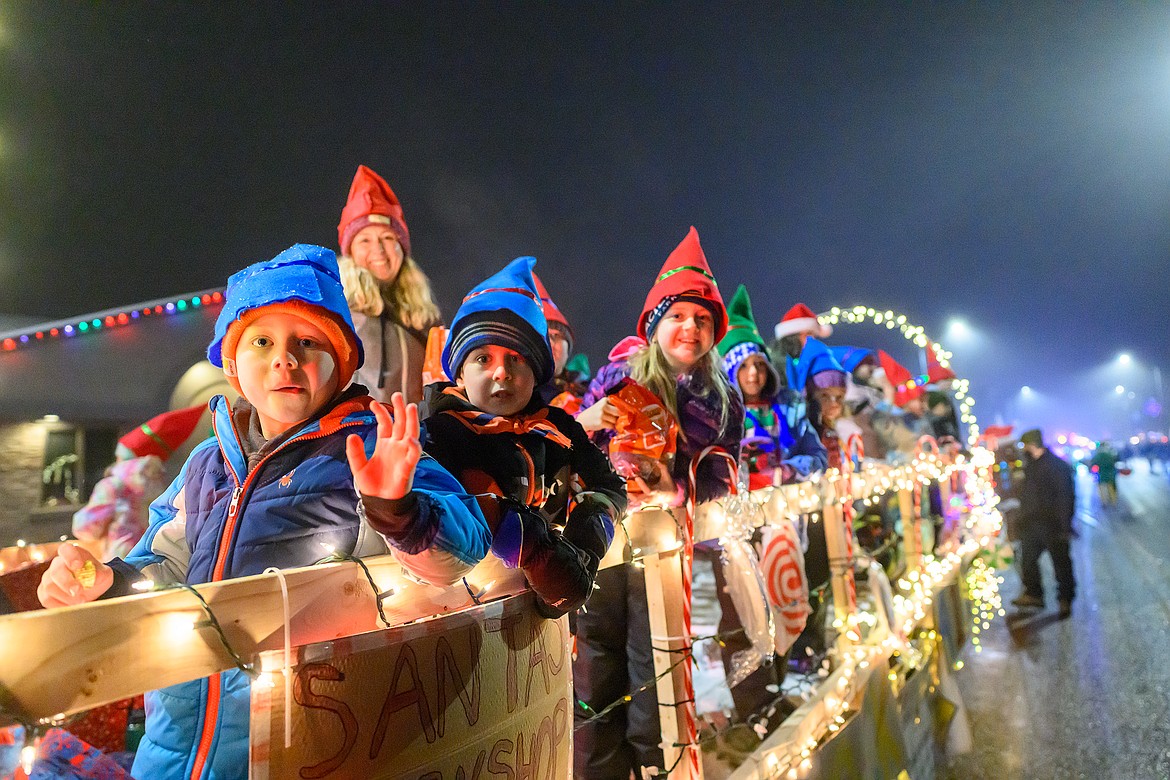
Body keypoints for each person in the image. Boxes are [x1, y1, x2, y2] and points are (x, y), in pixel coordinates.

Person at [37, 244, 491, 779]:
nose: (284, 358)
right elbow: (162, 562)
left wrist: (398, 510)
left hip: (309, 747)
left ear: (342, 364)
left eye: (307, 341)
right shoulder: (208, 464)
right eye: (261, 341)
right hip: (176, 745)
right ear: (232, 365)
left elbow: (461, 553)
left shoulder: (371, 451)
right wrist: (106, 583)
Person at [574, 226, 743, 778]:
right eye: (677, 316)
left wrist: (679, 489)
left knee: (656, 670)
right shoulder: (615, 378)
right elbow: (569, 453)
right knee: (595, 668)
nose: (689, 328)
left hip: (669, 551)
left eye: (701, 320)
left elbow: (724, 474)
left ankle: (656, 769)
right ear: (654, 325)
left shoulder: (722, 399)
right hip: (604, 544)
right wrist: (586, 422)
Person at [422, 255, 626, 618]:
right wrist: (536, 547)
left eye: (517, 358)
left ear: (537, 369)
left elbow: (610, 486)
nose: (502, 372)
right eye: (483, 358)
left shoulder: (560, 428)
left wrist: (584, 548)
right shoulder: (441, 434)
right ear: (460, 373)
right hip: (466, 624)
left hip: (549, 638)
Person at [336, 165, 442, 404]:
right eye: (364, 239)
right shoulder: (337, 312)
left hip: (419, 436)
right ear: (349, 251)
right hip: (360, 436)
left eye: (387, 238)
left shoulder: (425, 317)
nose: (379, 250)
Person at [718, 284, 826, 489]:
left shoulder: (791, 409)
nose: (753, 373)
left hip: (787, 510)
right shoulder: (721, 417)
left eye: (759, 365)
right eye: (743, 366)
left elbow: (818, 455)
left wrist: (790, 470)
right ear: (730, 371)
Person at [72, 405, 206, 561]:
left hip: (121, 563)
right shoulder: (164, 487)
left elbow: (85, 529)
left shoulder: (113, 486)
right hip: (156, 562)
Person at [1012, 428, 1076, 618]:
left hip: (1053, 524)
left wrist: (1065, 525)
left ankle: (1065, 599)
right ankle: (1034, 594)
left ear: (1032, 445)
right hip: (1032, 524)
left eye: (1024, 446)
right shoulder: (1030, 466)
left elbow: (1066, 497)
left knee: (1061, 564)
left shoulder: (1056, 466)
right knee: (1028, 561)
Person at [532, 271, 591, 412]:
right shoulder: (519, 398)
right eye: (543, 336)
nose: (551, 343)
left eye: (556, 335)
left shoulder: (592, 392)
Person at [1090, 441, 1119, 506]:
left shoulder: (1097, 455)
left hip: (1101, 474)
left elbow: (1094, 464)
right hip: (1110, 474)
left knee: (1102, 489)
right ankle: (1113, 501)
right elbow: (1114, 462)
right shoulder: (1110, 454)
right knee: (1111, 488)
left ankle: (1104, 501)